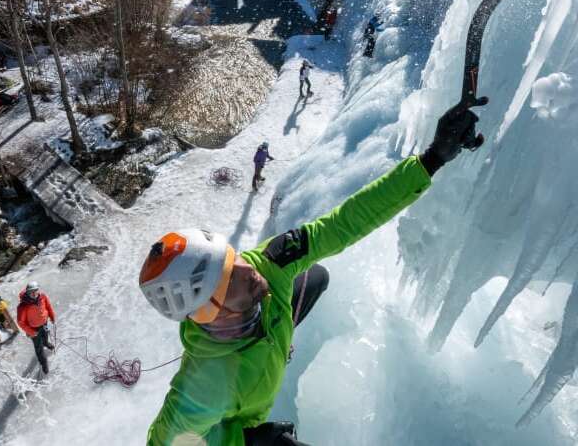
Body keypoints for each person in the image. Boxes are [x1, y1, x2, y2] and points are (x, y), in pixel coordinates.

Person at [140, 97, 487, 446]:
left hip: (266, 338)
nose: (248, 268)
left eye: (233, 257)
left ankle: (277, 336)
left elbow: (344, 223)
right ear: (210, 312)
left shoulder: (270, 263)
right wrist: (242, 440)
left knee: (316, 277)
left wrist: (432, 159)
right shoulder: (202, 389)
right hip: (248, 428)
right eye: (229, 278)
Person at [17, 281, 56, 374]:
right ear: (27, 292)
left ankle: (46, 343)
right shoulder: (23, 306)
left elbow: (48, 306)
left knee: (45, 336)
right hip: (33, 329)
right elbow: (21, 322)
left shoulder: (42, 296)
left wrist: (52, 316)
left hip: (44, 323)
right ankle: (43, 363)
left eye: (36, 291)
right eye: (31, 292)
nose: (34, 294)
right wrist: (31, 332)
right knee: (39, 348)